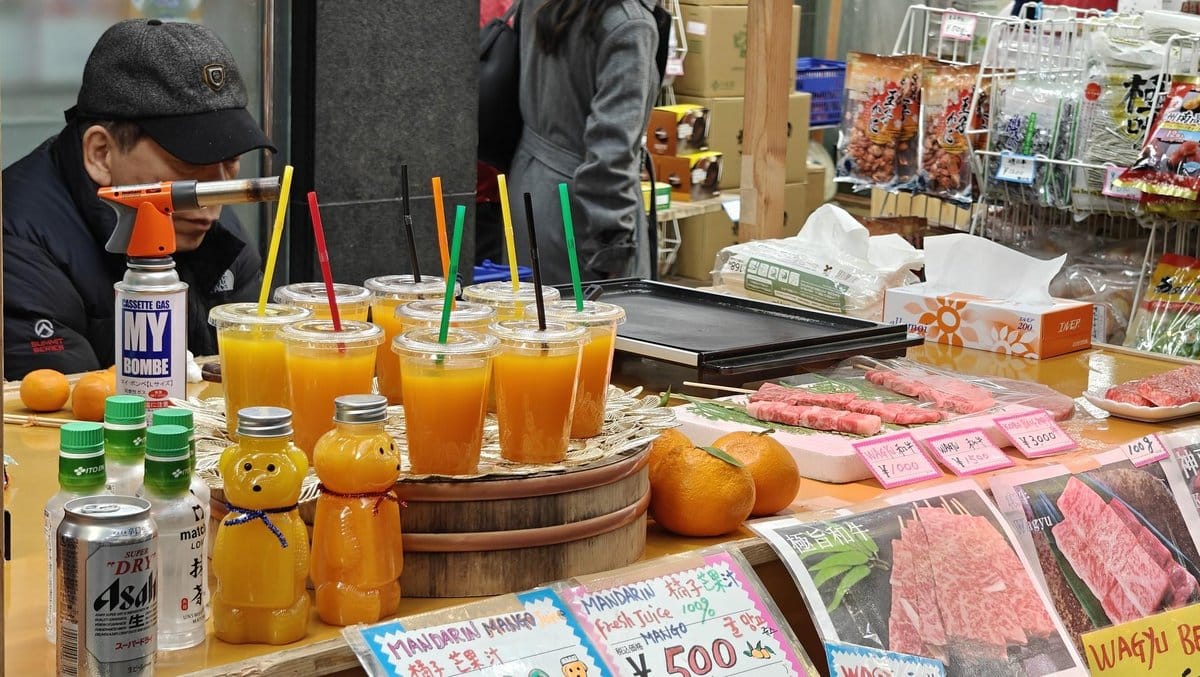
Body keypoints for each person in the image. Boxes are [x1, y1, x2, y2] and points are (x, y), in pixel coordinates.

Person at [3, 18, 275, 380]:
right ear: (101, 154)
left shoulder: (204, 212)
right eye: (191, 161)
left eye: (231, 160)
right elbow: (59, 409)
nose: (213, 200)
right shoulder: (16, 238)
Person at [507, 0, 664, 283]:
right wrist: (613, 247)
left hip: (527, 192)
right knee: (599, 324)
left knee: (529, 320)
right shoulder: (627, 22)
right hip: (584, 215)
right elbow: (611, 150)